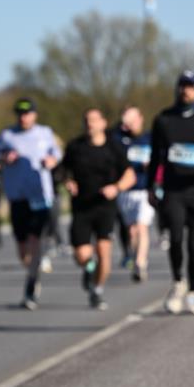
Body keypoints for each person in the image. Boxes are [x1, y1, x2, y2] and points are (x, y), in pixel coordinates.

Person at [147, 71, 194, 315]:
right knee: (176, 238)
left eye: (190, 87)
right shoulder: (163, 120)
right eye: (182, 86)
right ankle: (178, 282)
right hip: (173, 190)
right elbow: (155, 156)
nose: (186, 91)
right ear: (177, 89)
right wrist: (150, 188)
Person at [62, 108, 136, 310]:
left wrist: (117, 187)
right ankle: (89, 268)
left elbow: (130, 176)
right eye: (86, 120)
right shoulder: (75, 146)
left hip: (105, 207)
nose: (90, 124)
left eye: (94, 120)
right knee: (82, 256)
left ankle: (97, 290)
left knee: (104, 253)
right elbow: (63, 171)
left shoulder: (114, 147)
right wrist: (69, 182)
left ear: (103, 123)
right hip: (82, 208)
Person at [0, 98, 61, 309]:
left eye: (28, 113)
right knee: (22, 248)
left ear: (34, 114)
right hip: (17, 198)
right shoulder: (7, 135)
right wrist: (5, 157)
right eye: (20, 114)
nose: (24, 117)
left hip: (40, 195)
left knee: (35, 240)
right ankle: (34, 270)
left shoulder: (45, 133)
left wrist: (52, 161)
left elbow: (56, 153)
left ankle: (32, 284)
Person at [112, 106, 155, 281]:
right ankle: (135, 255)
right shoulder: (119, 140)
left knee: (142, 226)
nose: (132, 124)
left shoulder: (149, 138)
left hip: (144, 190)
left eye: (134, 120)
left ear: (141, 119)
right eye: (128, 122)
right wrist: (122, 125)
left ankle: (140, 262)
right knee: (131, 231)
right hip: (125, 191)